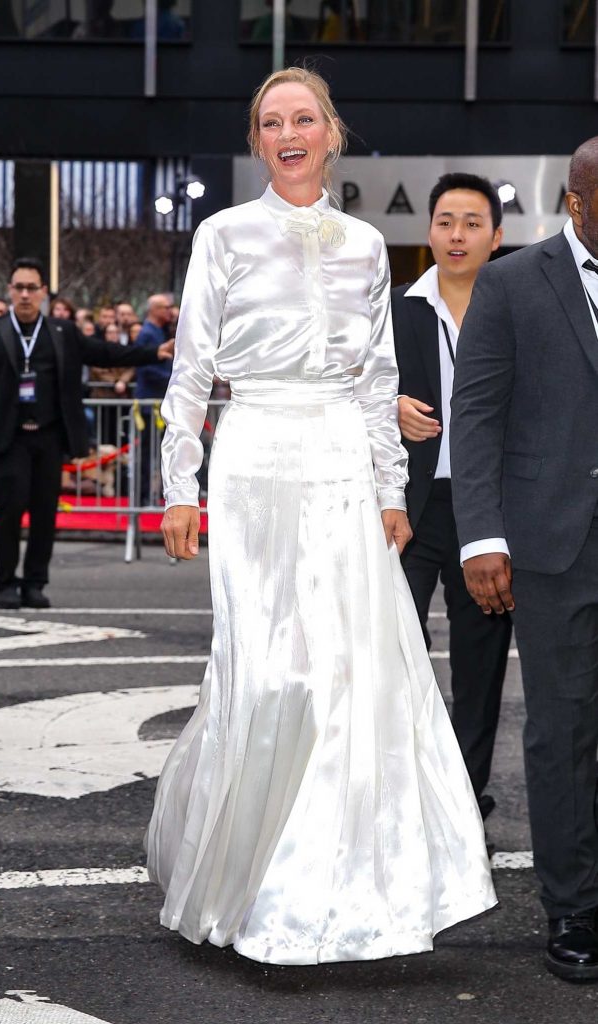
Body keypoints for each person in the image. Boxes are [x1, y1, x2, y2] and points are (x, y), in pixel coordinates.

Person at [145, 66, 495, 966]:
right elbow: (191, 369)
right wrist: (179, 485)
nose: (288, 134)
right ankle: (245, 879)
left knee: (350, 673)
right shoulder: (223, 235)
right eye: (271, 123)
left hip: (341, 459)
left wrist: (390, 489)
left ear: (330, 132)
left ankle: (332, 894)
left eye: (303, 119)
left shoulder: (365, 245)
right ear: (256, 141)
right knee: (269, 671)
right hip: (255, 457)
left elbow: (378, 380)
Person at [450, 137, 598, 981]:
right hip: (551, 544)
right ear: (576, 201)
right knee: (562, 728)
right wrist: (481, 536)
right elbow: (474, 416)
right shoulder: (510, 284)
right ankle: (573, 906)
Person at [392, 173, 512, 824]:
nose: (456, 234)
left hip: (489, 513)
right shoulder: (393, 309)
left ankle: (465, 805)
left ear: (496, 236)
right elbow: (347, 388)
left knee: (480, 665)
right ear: (429, 231)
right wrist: (387, 406)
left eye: (471, 222)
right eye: (445, 221)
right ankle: (405, 796)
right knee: (394, 656)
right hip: (410, 510)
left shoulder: (518, 307)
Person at [0, 257, 174, 610]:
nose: (25, 295)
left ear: (43, 292)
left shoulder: (62, 331)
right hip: (8, 438)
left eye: (31, 288)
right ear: (10, 290)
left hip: (50, 436)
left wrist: (153, 353)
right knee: (9, 510)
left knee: (45, 512)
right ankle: (5, 583)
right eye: (19, 288)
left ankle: (35, 583)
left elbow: (104, 352)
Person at [134, 294, 174, 503]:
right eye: (165, 307)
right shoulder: (147, 333)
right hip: (150, 403)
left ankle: (155, 492)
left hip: (159, 401)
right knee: (148, 452)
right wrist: (172, 378)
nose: (169, 311)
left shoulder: (159, 331)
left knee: (159, 451)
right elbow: (144, 367)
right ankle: (143, 494)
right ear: (154, 309)